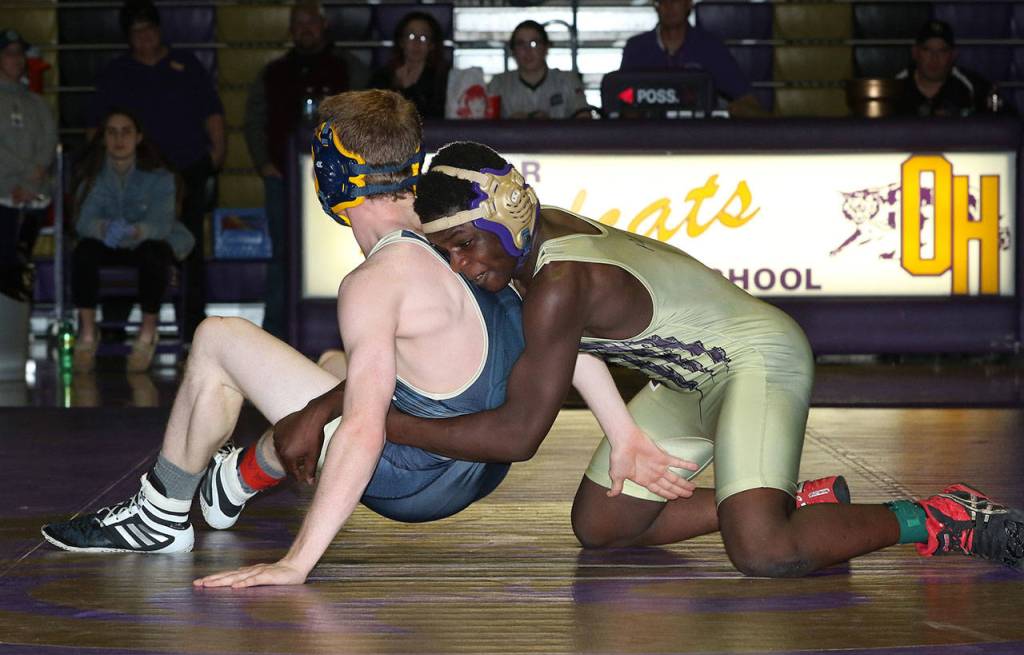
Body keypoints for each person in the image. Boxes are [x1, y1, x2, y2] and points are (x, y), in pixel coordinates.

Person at [40, 91, 633, 588]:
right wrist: (624, 433)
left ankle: (158, 516)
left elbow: (364, 426)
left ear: (331, 172)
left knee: (219, 337)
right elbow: (563, 339)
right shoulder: (462, 225)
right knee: (335, 363)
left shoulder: (374, 282)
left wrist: (297, 562)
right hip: (477, 462)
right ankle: (242, 476)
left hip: (414, 479)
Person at [380, 140, 1024, 577]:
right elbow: (568, 357)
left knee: (763, 550)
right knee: (603, 525)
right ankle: (802, 499)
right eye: (451, 255)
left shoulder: (557, 283)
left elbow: (519, 436)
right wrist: (625, 430)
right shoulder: (531, 242)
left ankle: (942, 518)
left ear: (504, 216)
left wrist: (381, 421)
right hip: (687, 379)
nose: (465, 267)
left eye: (466, 246)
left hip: (756, 359)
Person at [90, 0, 226, 341]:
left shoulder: (187, 65)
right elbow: (96, 126)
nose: (145, 37)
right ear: (128, 37)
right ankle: (114, 326)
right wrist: (95, 165)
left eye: (149, 29)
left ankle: (194, 330)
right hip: (135, 175)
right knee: (125, 244)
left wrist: (217, 152)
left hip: (187, 170)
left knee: (189, 246)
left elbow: (212, 113)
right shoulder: (117, 72)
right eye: (136, 32)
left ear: (159, 29)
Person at [244, 1, 350, 340]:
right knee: (281, 259)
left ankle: (336, 332)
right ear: (291, 30)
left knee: (334, 257)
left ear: (324, 25)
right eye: (298, 23)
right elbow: (254, 122)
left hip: (337, 182)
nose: (305, 28)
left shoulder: (349, 69)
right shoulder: (273, 72)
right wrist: (263, 164)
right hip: (283, 181)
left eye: (311, 22)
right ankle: (272, 335)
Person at [69, 109, 195, 373]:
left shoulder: (162, 177)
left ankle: (147, 333)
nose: (119, 138)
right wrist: (104, 227)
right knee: (83, 252)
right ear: (103, 138)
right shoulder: (91, 174)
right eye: (112, 132)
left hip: (147, 241)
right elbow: (83, 221)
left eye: (126, 131)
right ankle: (88, 334)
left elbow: (161, 225)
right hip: (108, 242)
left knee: (155, 253)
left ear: (138, 137)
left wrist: (135, 230)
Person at [619, 0, 765, 118]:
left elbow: (746, 100)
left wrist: (736, 111)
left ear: (689, 3)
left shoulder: (710, 47)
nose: (669, 6)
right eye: (663, 1)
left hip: (699, 138)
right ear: (656, 6)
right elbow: (620, 101)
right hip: (648, 138)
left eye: (676, 0)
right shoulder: (636, 48)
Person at [0, 28, 56, 303]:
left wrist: (30, 182)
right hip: (3, 191)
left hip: (33, 195)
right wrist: (19, 180)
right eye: (9, 54)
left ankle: (14, 329)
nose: (16, 59)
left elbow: (48, 144)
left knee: (20, 262)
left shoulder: (37, 103)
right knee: (8, 259)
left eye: (19, 53)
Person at [893, 20, 1001, 118]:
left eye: (942, 51)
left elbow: (1004, 123)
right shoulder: (892, 88)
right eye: (927, 50)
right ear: (915, 52)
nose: (934, 58)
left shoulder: (975, 87)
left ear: (953, 55)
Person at [487, 20, 590, 120]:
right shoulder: (498, 83)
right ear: (513, 50)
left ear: (546, 47)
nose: (527, 51)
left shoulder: (567, 80)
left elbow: (585, 124)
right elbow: (485, 129)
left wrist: (549, 127)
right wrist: (510, 126)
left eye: (534, 43)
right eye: (520, 44)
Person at [369, 11, 449, 119]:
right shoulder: (383, 76)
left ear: (432, 45)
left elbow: (438, 116)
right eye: (411, 36)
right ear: (401, 41)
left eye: (423, 37)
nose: (416, 43)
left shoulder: (443, 77)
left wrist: (409, 89)